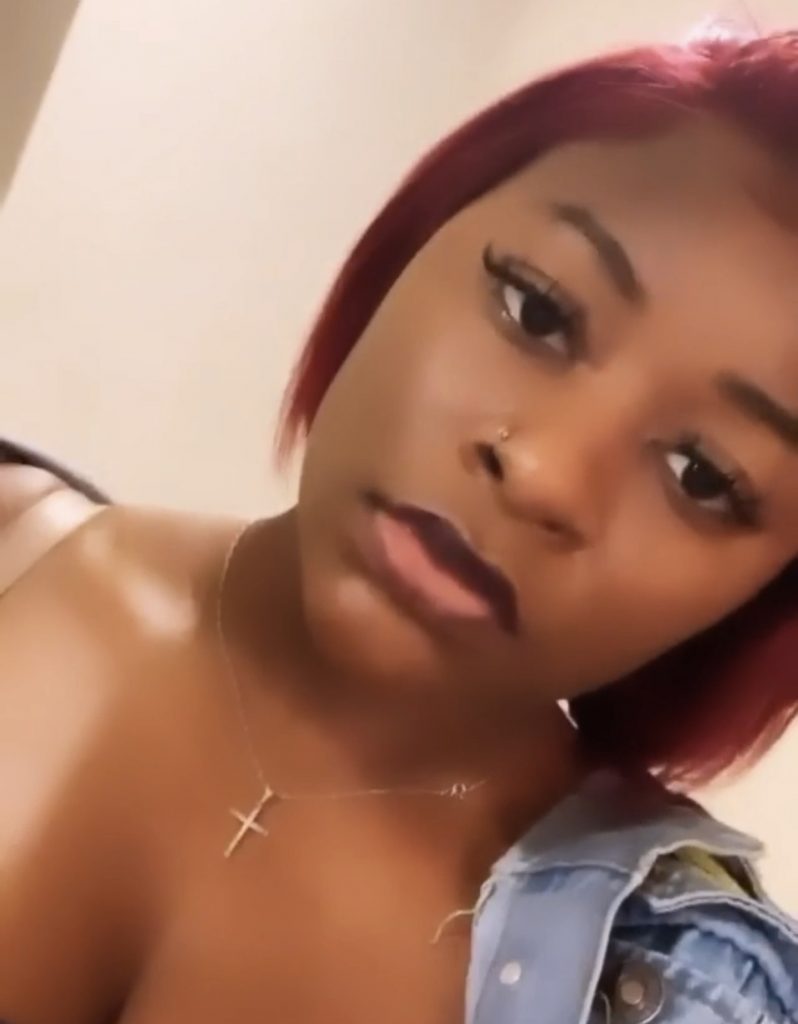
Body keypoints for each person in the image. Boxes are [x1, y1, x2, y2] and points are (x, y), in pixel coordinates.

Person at [2, 26, 798, 1024]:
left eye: (702, 475)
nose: (544, 473)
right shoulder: (24, 552)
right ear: (421, 233)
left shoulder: (695, 990)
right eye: (539, 312)